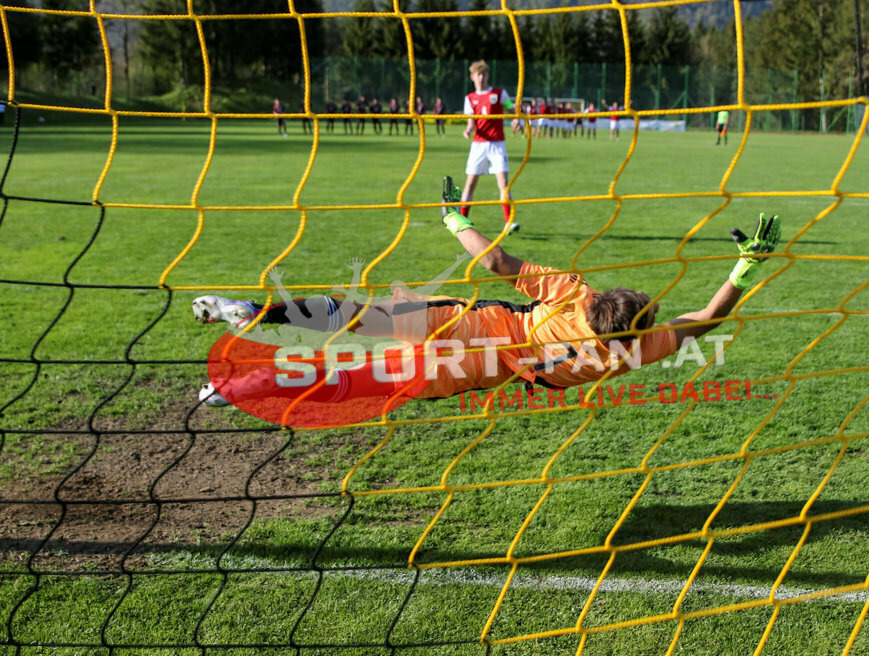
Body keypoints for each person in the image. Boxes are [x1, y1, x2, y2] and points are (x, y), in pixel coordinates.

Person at [191, 176, 782, 416]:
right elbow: (705, 318)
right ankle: (243, 388)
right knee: (356, 380)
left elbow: (497, 260)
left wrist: (454, 218)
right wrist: (745, 269)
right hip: (468, 370)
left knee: (353, 316)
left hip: (466, 325)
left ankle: (255, 314)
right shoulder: (628, 352)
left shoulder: (573, 292)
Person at [461, 60, 523, 233]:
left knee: (503, 183)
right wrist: (468, 130)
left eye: (483, 74)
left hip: (497, 144)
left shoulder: (499, 93)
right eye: (477, 75)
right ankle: (463, 221)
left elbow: (512, 109)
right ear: (472, 77)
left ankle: (508, 222)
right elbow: (471, 123)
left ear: (487, 75)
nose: (480, 78)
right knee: (470, 183)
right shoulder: (470, 99)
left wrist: (517, 119)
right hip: (478, 145)